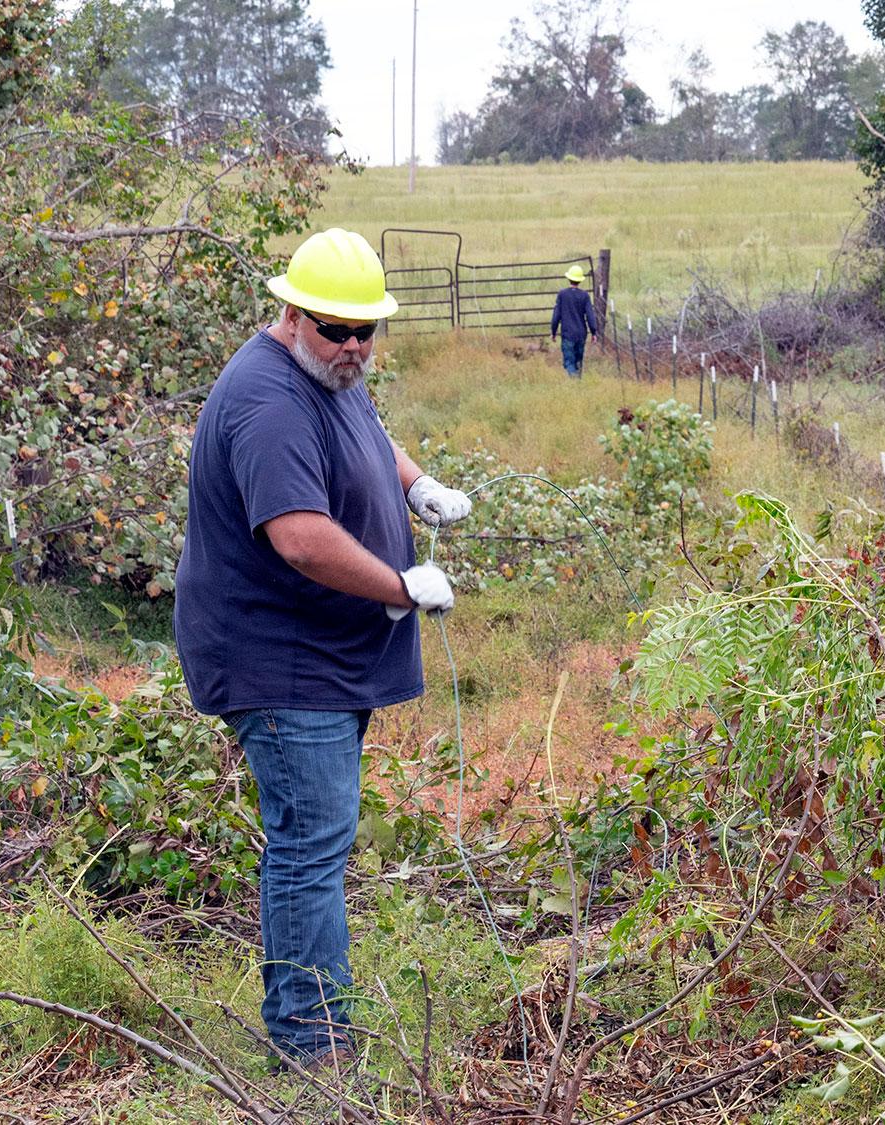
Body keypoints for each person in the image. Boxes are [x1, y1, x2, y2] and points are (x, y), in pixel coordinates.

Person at [172, 227, 474, 1069]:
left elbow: (366, 430)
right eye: (333, 329)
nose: (350, 347)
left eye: (364, 331)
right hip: (280, 658)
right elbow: (301, 537)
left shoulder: (328, 371)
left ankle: (313, 1026)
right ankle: (313, 1049)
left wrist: (418, 487)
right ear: (291, 313)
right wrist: (400, 584)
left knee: (319, 837)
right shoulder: (266, 400)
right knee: (312, 843)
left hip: (324, 654)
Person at [549, 263, 599, 377]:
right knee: (578, 361)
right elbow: (590, 315)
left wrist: (553, 331)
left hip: (568, 334)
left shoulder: (562, 294)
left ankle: (574, 380)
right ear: (580, 280)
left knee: (569, 361)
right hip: (581, 333)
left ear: (569, 278)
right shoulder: (585, 295)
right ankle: (578, 382)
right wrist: (594, 332)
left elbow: (556, 315)